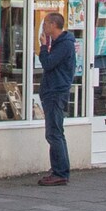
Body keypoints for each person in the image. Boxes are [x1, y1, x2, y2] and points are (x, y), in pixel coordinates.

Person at [36, 10, 76, 187]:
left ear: (53, 25)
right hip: (52, 91)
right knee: (55, 133)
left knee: (54, 133)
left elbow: (48, 63)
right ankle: (59, 170)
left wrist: (43, 47)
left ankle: (60, 172)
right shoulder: (61, 43)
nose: (43, 26)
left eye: (45, 23)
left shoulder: (64, 44)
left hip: (56, 92)